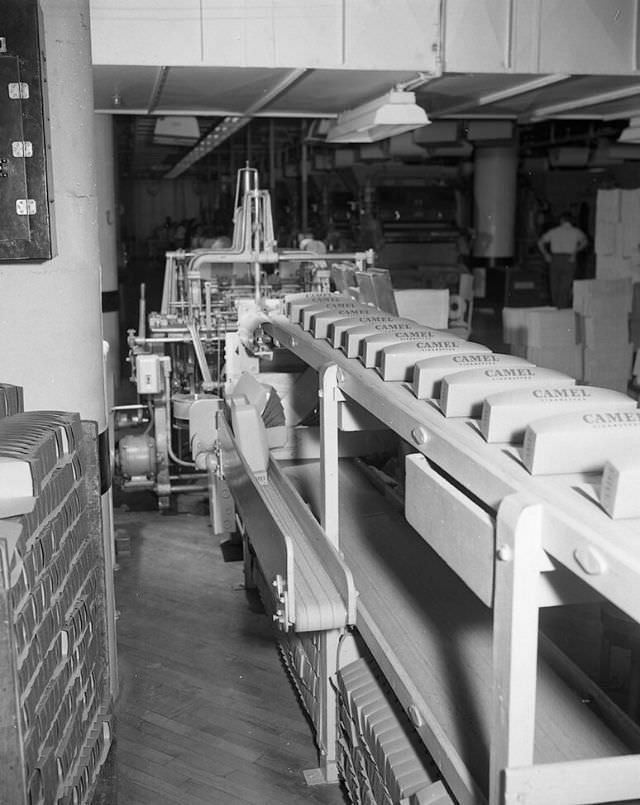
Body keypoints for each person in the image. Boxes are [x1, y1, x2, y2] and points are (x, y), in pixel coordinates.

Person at [537, 211, 588, 308]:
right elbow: (585, 242)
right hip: (569, 259)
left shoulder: (554, 231)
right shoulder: (576, 231)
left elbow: (540, 242)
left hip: (555, 259)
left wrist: (546, 255)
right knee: (565, 286)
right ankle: (562, 308)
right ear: (571, 221)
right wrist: (575, 252)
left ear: (561, 220)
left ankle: (556, 307)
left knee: (554, 285)